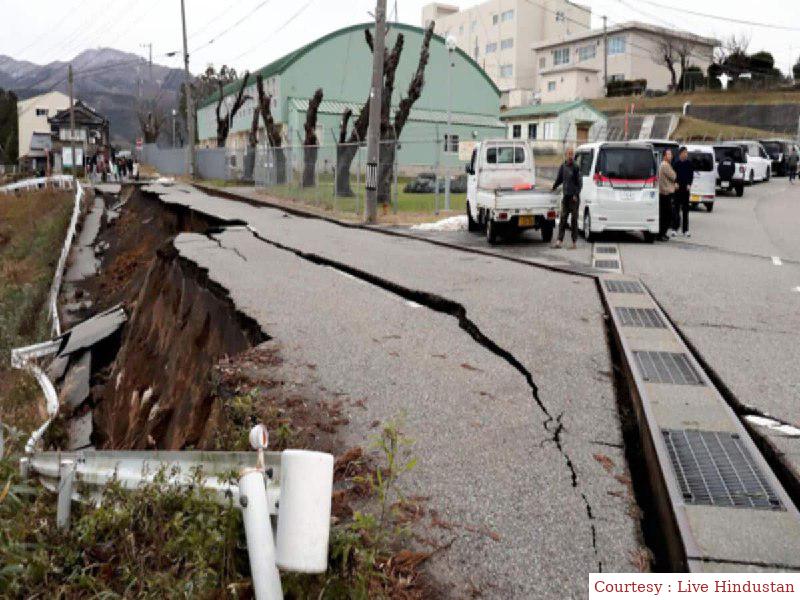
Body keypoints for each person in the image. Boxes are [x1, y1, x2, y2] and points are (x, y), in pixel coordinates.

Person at [551, 147, 582, 249]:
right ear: (566, 155)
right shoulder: (563, 167)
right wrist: (553, 187)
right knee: (563, 219)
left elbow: (579, 184)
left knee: (574, 220)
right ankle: (559, 240)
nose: (570, 156)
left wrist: (575, 194)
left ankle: (574, 242)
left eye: (572, 154)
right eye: (569, 154)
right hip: (566, 197)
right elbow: (559, 179)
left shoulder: (576, 167)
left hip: (574, 198)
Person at [672, 147, 694, 238]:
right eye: (684, 152)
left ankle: (685, 230)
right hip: (677, 190)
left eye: (686, 153)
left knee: (686, 210)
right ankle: (674, 229)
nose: (686, 154)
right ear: (680, 154)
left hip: (686, 190)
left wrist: (689, 184)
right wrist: (675, 182)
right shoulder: (676, 164)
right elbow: (673, 175)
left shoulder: (689, 164)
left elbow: (691, 175)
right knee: (676, 210)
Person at [657, 149, 677, 241]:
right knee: (667, 215)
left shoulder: (664, 165)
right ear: (664, 156)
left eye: (671, 154)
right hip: (665, 194)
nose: (670, 156)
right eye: (668, 154)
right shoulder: (665, 165)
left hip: (664, 193)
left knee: (664, 215)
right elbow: (674, 176)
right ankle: (661, 234)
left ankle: (662, 233)